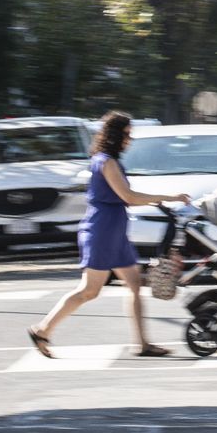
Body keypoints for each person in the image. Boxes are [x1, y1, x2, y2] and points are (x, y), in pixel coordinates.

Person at [28, 111, 190, 359]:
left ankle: (143, 344)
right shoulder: (106, 162)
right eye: (126, 134)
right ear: (115, 136)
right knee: (89, 291)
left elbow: (125, 197)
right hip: (102, 232)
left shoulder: (106, 160)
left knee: (134, 284)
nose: (129, 139)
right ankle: (42, 329)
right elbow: (128, 197)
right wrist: (168, 197)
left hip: (114, 232)